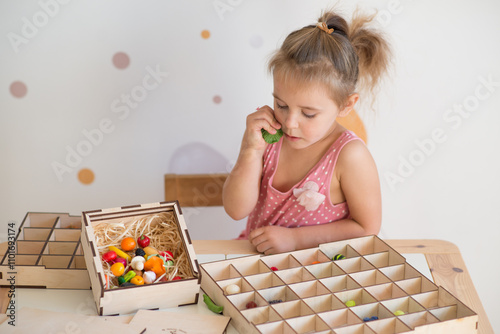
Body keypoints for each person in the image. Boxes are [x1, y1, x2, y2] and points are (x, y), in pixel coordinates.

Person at [223, 9, 392, 255]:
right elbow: (235, 210)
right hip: (256, 260)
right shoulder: (265, 135)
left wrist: (295, 239)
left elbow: (366, 228)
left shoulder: (350, 156)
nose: (290, 122)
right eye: (281, 105)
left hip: (319, 268)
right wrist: (250, 151)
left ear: (346, 105)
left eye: (308, 114)